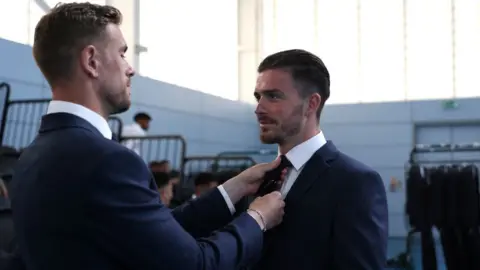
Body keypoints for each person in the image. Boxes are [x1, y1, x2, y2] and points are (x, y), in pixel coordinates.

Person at [10, 3, 285, 270]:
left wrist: (233, 189)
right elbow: (195, 264)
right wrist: (257, 218)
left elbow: (153, 235)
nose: (131, 69)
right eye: (121, 54)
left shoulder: (30, 158)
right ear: (91, 61)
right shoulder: (108, 161)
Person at [252, 49, 388, 270]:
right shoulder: (258, 180)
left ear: (312, 104)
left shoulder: (354, 182)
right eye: (258, 97)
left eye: (273, 96)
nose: (259, 109)